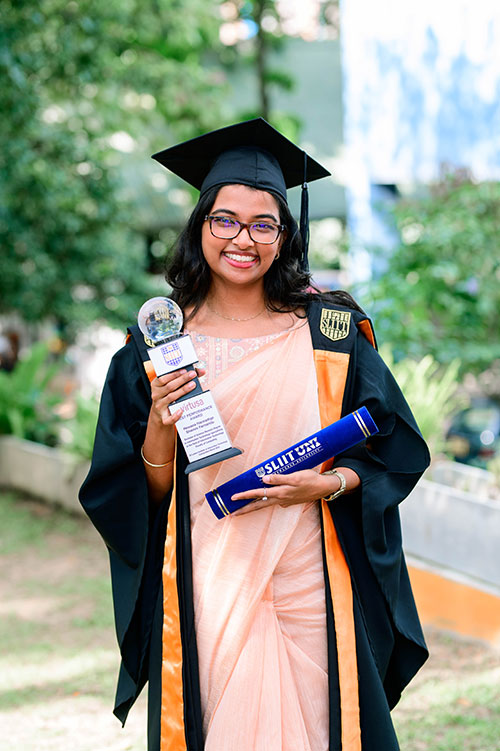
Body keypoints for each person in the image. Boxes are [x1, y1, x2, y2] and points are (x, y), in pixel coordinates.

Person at [80, 118, 430, 751]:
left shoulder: (331, 333)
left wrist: (327, 484)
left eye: (263, 224)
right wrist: (158, 426)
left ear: (284, 236)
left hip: (311, 575)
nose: (243, 239)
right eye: (225, 220)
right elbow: (134, 496)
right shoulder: (154, 345)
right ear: (200, 226)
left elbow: (393, 449)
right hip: (207, 581)